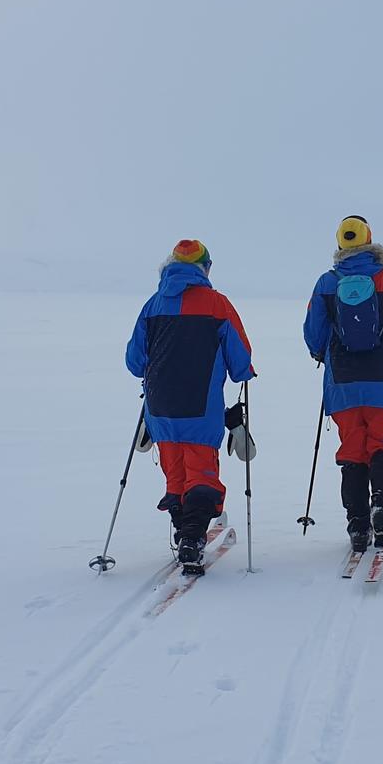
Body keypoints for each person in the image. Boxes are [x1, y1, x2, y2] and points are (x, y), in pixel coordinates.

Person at [126, 239, 255, 571]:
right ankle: (192, 538)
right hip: (201, 407)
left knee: (177, 476)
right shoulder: (217, 305)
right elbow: (240, 356)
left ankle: (185, 531)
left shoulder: (153, 305)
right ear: (205, 268)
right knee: (202, 474)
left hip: (160, 408)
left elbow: (134, 360)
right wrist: (243, 374)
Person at [304, 216, 383, 553]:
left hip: (342, 384)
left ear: (341, 245)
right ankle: (382, 509)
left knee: (352, 451)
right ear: (370, 242)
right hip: (382, 383)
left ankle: (357, 525)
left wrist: (321, 354)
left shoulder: (327, 283)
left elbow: (313, 331)